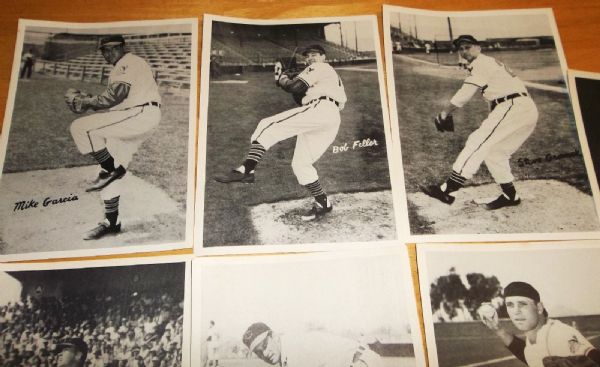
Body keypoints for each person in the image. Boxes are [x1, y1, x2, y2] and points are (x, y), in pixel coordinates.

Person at [214, 44, 347, 221]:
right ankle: (323, 203)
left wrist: (283, 79)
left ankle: (247, 169)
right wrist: (291, 81)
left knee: (267, 124)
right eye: (307, 56)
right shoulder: (329, 74)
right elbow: (300, 97)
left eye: (315, 55)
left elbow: (294, 87)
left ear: (323, 57)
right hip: (330, 118)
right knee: (301, 164)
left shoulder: (319, 67)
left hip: (321, 109)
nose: (310, 58)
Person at [423, 35, 538, 210]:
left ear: (478, 47)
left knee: (477, 142)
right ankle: (510, 195)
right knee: (495, 152)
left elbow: (466, 92)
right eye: (460, 49)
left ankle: (448, 190)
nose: (463, 52)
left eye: (467, 47)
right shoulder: (489, 63)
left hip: (513, 106)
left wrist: (445, 112)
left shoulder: (481, 63)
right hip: (523, 109)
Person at [68, 34, 161, 239]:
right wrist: (89, 100)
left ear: (122, 47)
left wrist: (87, 101)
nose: (107, 54)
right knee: (106, 173)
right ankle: (111, 222)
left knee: (81, 128)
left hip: (140, 114)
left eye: (112, 49)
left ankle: (112, 169)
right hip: (130, 119)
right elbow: (114, 103)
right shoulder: (121, 67)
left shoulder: (129, 62)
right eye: (104, 50)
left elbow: (115, 95)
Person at [479, 281, 600, 366]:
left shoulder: (558, 334)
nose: (516, 311)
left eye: (522, 304)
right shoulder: (533, 340)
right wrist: (498, 330)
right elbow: (527, 354)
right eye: (510, 305)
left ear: (539, 308)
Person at [241, 322, 381, 367]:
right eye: (259, 352)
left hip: (362, 362)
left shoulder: (295, 350)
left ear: (274, 336)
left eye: (265, 346)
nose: (264, 354)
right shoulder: (286, 351)